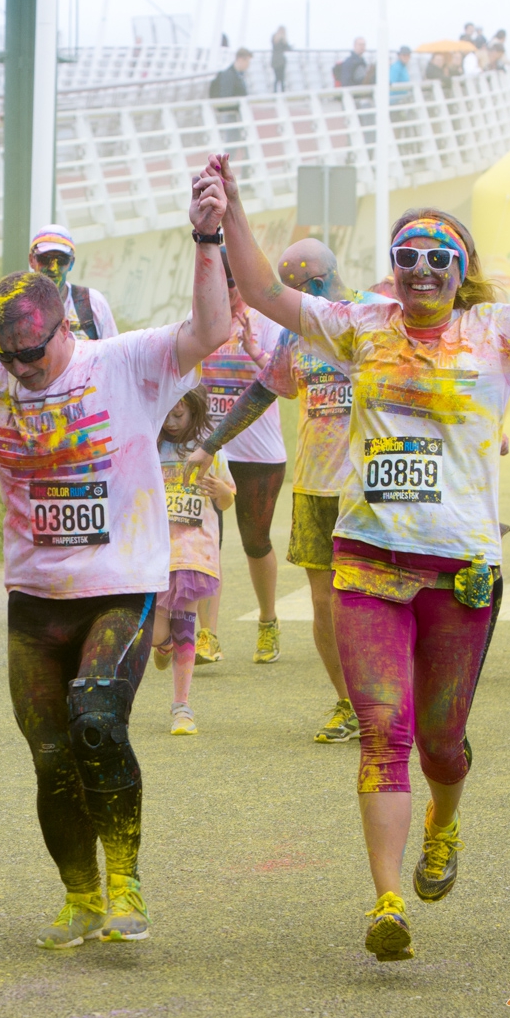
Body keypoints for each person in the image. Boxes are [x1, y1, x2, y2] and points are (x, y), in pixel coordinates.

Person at [212, 146, 510, 962]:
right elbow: (268, 292)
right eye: (405, 257)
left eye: (436, 258)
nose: (418, 270)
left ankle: (444, 826)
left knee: (445, 740)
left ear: (461, 271)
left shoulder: (500, 332)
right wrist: (231, 207)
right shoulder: (360, 327)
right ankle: (384, 900)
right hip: (370, 556)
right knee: (386, 729)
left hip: (462, 567)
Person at [0, 173, 232, 947]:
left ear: (65, 327)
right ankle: (79, 895)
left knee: (96, 718)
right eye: (11, 359)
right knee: (51, 754)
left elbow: (211, 329)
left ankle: (126, 880)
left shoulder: (125, 361)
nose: (23, 371)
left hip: (119, 590)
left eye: (33, 355)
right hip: (33, 598)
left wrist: (206, 239)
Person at [190, 239, 360, 742]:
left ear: (318, 285)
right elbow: (263, 390)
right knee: (323, 602)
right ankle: (347, 704)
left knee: (372, 598)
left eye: (294, 291)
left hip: (368, 489)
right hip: (314, 488)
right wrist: (209, 444)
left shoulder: (374, 322)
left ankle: (391, 698)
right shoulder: (296, 337)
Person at [200, 247, 287, 664]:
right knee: (204, 540)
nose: (226, 290)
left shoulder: (268, 322)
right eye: (219, 281)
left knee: (255, 541)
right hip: (210, 449)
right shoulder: (205, 320)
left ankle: (268, 620)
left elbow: (284, 379)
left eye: (232, 282)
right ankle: (206, 637)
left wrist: (253, 348)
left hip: (259, 450)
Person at [153, 385, 235, 736]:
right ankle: (163, 642)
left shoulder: (211, 449)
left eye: (179, 414)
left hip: (192, 551)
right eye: (166, 413)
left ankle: (182, 707)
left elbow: (229, 498)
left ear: (194, 410)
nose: (172, 421)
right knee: (154, 631)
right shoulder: (149, 445)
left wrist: (222, 494)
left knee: (186, 624)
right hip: (155, 550)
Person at [29, 224, 118, 340]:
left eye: (61, 260)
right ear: (31, 260)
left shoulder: (93, 303)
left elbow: (113, 353)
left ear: (71, 263)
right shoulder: (16, 308)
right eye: (45, 259)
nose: (53, 268)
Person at [270, 27, 290, 92]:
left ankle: (280, 91)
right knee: (278, 78)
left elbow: (287, 48)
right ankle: (277, 92)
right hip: (277, 61)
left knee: (281, 79)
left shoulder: (281, 39)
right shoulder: (276, 38)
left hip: (280, 61)